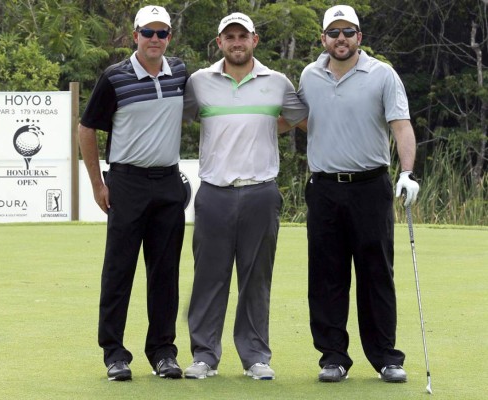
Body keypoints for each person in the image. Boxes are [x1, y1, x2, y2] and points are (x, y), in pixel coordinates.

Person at [296, 4, 420, 383]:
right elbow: (300, 118)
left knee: (376, 272)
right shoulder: (309, 75)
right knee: (326, 275)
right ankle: (333, 356)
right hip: (324, 188)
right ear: (323, 39)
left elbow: (400, 125)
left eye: (348, 32)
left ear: (359, 37)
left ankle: (386, 356)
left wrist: (408, 172)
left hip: (371, 186)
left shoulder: (382, 74)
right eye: (333, 33)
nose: (341, 39)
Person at [182, 12, 307, 380]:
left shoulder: (277, 82)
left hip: (261, 192)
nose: (236, 42)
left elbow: (298, 119)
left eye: (243, 36)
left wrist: (267, 129)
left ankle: (255, 357)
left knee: (256, 278)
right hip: (214, 193)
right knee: (209, 277)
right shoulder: (198, 82)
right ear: (219, 43)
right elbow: (179, 117)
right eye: (229, 37)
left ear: (254, 40)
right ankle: (205, 355)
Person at [78, 5, 188, 381]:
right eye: (148, 32)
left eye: (162, 34)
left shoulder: (181, 74)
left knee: (165, 272)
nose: (155, 40)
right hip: (127, 183)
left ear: (169, 37)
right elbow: (87, 128)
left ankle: (162, 351)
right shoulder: (115, 77)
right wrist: (98, 183)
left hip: (169, 182)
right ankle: (114, 353)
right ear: (134, 35)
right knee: (119, 269)